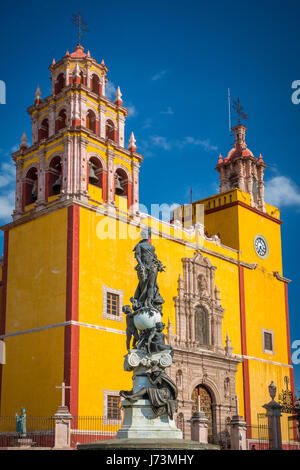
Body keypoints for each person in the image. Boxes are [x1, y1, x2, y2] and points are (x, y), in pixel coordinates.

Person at [132, 229, 165, 312]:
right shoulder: (139, 245)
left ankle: (149, 302)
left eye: (145, 233)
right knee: (143, 286)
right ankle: (141, 301)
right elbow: (137, 256)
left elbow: (154, 257)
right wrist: (141, 265)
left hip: (153, 267)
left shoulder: (152, 247)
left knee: (151, 285)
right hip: (144, 267)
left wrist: (159, 265)